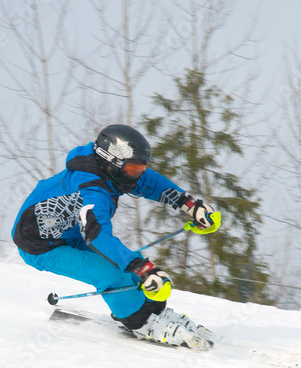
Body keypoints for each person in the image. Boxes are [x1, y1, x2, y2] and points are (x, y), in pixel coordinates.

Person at [12, 124, 221, 347]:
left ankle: (153, 313)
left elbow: (149, 181)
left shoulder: (110, 172)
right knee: (112, 274)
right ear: (111, 163)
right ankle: (138, 322)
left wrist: (189, 205)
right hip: (40, 246)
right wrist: (142, 267)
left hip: (70, 234)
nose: (138, 175)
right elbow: (98, 236)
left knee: (130, 271)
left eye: (141, 168)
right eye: (133, 170)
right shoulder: (91, 190)